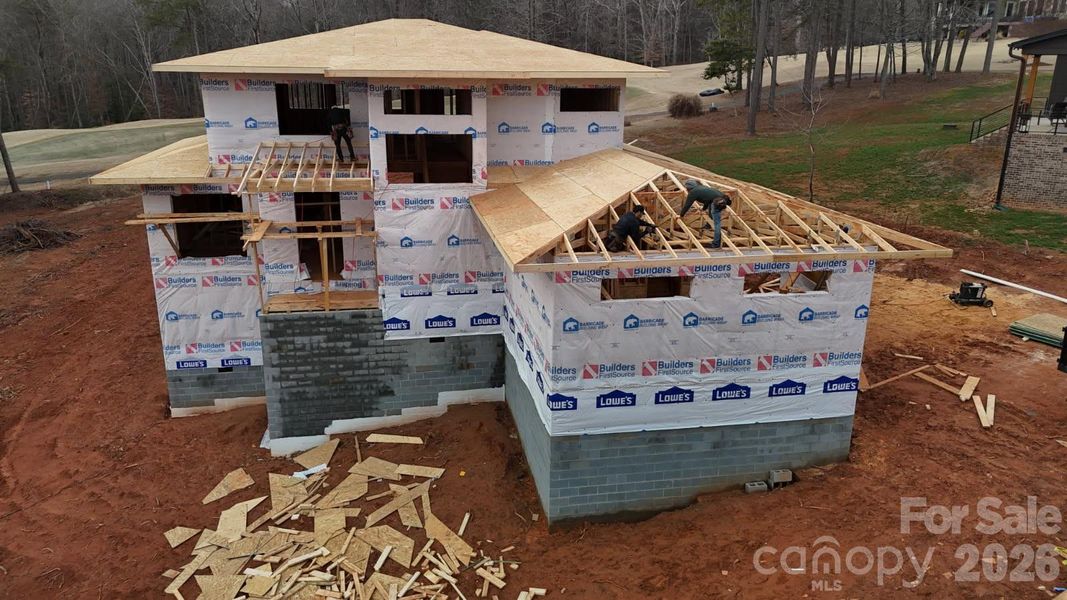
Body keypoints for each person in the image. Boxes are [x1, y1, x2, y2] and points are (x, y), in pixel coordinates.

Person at [680, 179, 731, 248]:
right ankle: (708, 225)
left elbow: (687, 205)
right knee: (712, 207)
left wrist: (681, 215)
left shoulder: (693, 192)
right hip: (721, 200)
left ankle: (716, 244)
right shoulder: (702, 188)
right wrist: (703, 209)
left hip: (717, 203)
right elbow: (708, 199)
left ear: (689, 188)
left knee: (717, 224)